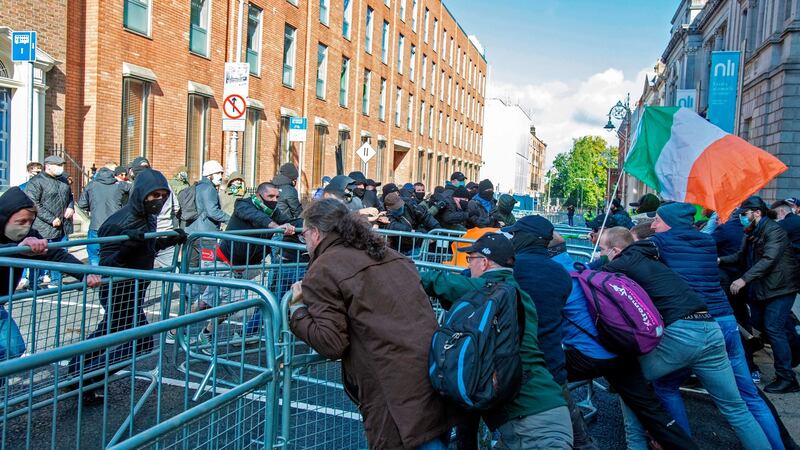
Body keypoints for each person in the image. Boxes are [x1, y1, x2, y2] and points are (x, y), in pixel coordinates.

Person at [288, 199, 452, 449]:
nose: (305, 242)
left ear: (316, 233)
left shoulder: (325, 268)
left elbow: (331, 342)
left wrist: (297, 309)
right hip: (431, 372)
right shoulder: (390, 254)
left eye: (304, 235)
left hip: (392, 390)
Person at [598, 227, 771, 449]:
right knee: (736, 409)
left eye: (602, 250)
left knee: (630, 383)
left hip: (682, 333)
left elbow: (592, 276)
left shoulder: (621, 263)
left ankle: (637, 445)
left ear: (614, 250)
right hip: (710, 326)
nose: (600, 254)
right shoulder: (649, 257)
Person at [649, 202, 788, 449]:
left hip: (696, 325)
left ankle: (681, 444)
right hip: (725, 320)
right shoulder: (706, 242)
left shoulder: (662, 244)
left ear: (669, 223)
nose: (652, 225)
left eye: (657, 220)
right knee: (747, 397)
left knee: (666, 385)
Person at [420, 233, 572, 450]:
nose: (468, 266)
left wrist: (403, 271)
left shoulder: (491, 291)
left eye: (469, 259)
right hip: (544, 409)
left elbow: (439, 282)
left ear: (484, 262)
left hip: (532, 423)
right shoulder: (518, 294)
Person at [549, 234, 698, 450]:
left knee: (538, 375)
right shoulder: (578, 267)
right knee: (651, 411)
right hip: (619, 346)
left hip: (590, 353)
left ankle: (577, 440)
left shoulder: (550, 277)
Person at [70, 169, 186, 397]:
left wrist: (168, 240)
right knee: (140, 342)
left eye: (163, 195)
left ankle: (79, 373)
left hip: (136, 288)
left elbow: (146, 248)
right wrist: (126, 248)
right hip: (119, 290)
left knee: (108, 332)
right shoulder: (118, 223)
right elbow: (108, 264)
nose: (159, 200)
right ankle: (86, 377)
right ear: (140, 194)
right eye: (154, 196)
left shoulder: (147, 217)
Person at [502, 216, 595, 449]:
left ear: (526, 238)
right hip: (551, 359)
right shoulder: (561, 274)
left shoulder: (509, 269)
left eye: (515, 234)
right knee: (569, 425)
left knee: (521, 429)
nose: (512, 238)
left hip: (512, 358)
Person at [0, 188, 102, 363]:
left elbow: (55, 254)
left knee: (13, 349)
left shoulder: (30, 235)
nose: (25, 226)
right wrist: (16, 249)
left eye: (30, 221)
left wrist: (84, 274)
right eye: (20, 221)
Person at [195, 182, 295, 342]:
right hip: (224, 261)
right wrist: (276, 227)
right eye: (270, 196)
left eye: (277, 197)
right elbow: (257, 217)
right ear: (258, 196)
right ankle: (204, 334)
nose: (274, 200)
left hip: (240, 266)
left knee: (205, 302)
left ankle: (175, 331)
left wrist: (296, 225)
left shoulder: (274, 212)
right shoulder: (243, 204)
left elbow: (291, 221)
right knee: (237, 301)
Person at [720, 196, 800, 394]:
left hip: (782, 287)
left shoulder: (775, 231)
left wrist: (743, 280)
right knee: (760, 324)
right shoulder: (751, 231)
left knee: (773, 328)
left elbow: (768, 259)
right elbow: (739, 256)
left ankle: (787, 378)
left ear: (757, 213)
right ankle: (792, 352)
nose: (741, 219)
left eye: (744, 215)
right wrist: (719, 259)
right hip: (766, 287)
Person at [24, 155, 74, 286]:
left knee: (61, 254)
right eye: (58, 165)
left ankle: (57, 281)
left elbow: (70, 197)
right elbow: (33, 203)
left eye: (62, 165)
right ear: (48, 166)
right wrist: (51, 219)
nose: (61, 168)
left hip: (63, 225)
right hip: (43, 227)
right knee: (39, 256)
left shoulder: (63, 181)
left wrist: (70, 207)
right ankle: (33, 283)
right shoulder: (36, 181)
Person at [77, 167, 129, 265]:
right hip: (115, 225)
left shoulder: (91, 185)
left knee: (94, 254)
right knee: (113, 253)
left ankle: (96, 276)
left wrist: (93, 208)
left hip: (96, 225)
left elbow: (82, 204)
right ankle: (109, 277)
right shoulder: (120, 185)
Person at [186, 160, 229, 233]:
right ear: (209, 175)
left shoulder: (198, 186)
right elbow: (213, 212)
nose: (221, 176)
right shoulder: (209, 189)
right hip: (206, 233)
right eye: (218, 173)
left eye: (221, 173)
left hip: (192, 231)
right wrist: (230, 219)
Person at [772, 199, 800, 265]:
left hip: (793, 262)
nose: (776, 217)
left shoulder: (782, 224)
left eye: (776, 214)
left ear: (782, 211)